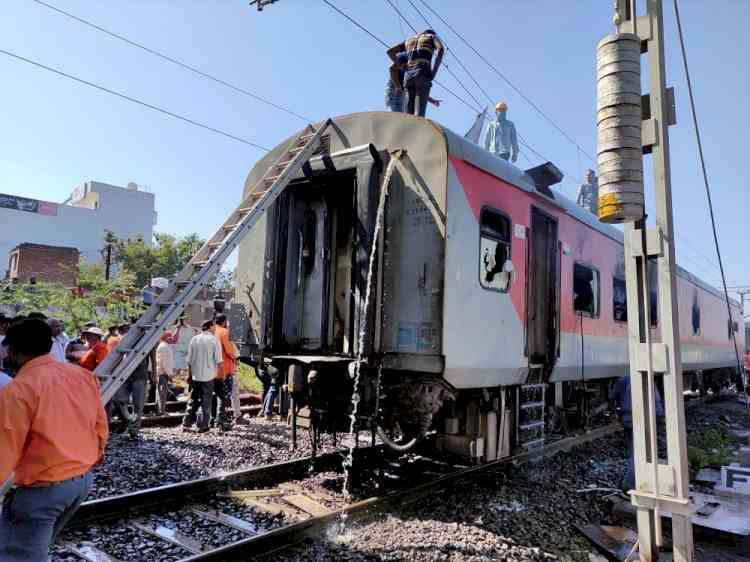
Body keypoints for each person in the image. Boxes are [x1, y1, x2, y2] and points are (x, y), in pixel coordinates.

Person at [0, 319, 108, 562]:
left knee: (18, 555)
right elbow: (100, 425)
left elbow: (5, 448)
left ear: (14, 351)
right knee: (36, 547)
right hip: (81, 481)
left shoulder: (19, 389)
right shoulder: (81, 376)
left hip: (43, 490)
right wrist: (92, 458)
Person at [610, 375, 664, 491]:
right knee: (641, 452)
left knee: (635, 450)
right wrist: (659, 418)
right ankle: (630, 483)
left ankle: (636, 481)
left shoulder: (622, 380)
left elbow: (613, 398)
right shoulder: (647, 379)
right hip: (645, 421)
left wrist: (617, 417)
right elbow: (657, 402)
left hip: (629, 421)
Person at [387, 29, 444, 117]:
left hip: (408, 78)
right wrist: (433, 72)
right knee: (419, 116)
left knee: (408, 116)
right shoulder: (431, 37)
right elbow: (440, 50)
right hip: (421, 74)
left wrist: (402, 66)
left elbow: (390, 51)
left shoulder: (408, 41)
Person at [182, 320, 223, 433]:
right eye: (214, 326)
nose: (215, 328)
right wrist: (219, 375)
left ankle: (186, 423)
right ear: (210, 326)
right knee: (206, 402)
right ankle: (203, 425)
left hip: (195, 376)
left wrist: (189, 375)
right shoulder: (214, 340)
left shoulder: (194, 339)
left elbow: (189, 361)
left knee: (193, 400)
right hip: (208, 376)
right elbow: (219, 360)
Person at [110, 323, 149, 440]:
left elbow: (151, 356)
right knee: (118, 399)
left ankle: (134, 429)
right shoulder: (123, 340)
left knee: (138, 404)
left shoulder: (146, 340)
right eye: (127, 330)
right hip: (125, 374)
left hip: (140, 375)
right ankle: (128, 420)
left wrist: (154, 375)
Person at [214, 314, 240, 428]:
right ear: (224, 322)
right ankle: (222, 421)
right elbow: (229, 351)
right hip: (225, 369)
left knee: (214, 395)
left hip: (212, 369)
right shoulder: (225, 332)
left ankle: (214, 418)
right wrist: (236, 359)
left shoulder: (212, 331)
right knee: (225, 396)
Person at [155, 332, 175, 415]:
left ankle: (160, 410)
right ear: (165, 337)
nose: (171, 338)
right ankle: (161, 411)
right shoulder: (164, 347)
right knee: (162, 393)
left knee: (161, 392)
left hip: (163, 372)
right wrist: (169, 374)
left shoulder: (164, 346)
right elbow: (164, 363)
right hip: (163, 373)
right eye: (169, 336)